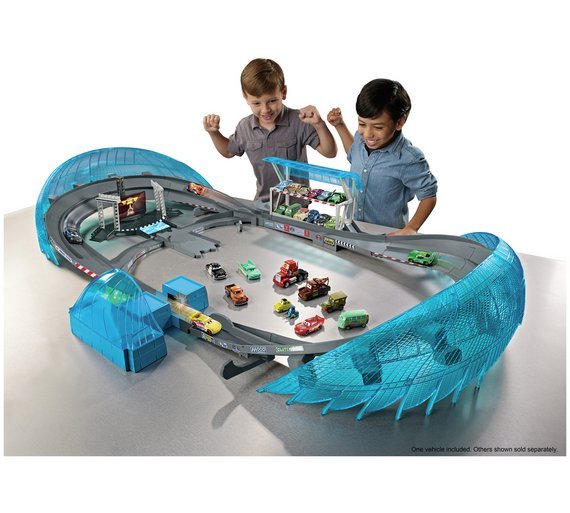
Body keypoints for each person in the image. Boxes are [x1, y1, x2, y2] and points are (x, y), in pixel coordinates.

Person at [203, 58, 337, 202]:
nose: (265, 109)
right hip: (263, 204)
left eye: (272, 101)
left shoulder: (299, 121)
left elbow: (330, 152)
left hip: (297, 206)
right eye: (256, 103)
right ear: (245, 97)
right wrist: (214, 133)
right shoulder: (244, 127)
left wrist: (319, 125)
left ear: (283, 92)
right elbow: (228, 151)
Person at [327, 79, 437, 235]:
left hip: (386, 235)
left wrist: (411, 228)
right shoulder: (360, 138)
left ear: (399, 122)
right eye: (362, 124)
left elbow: (428, 195)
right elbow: (353, 153)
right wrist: (340, 125)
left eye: (378, 127)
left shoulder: (409, 158)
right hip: (351, 227)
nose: (368, 134)